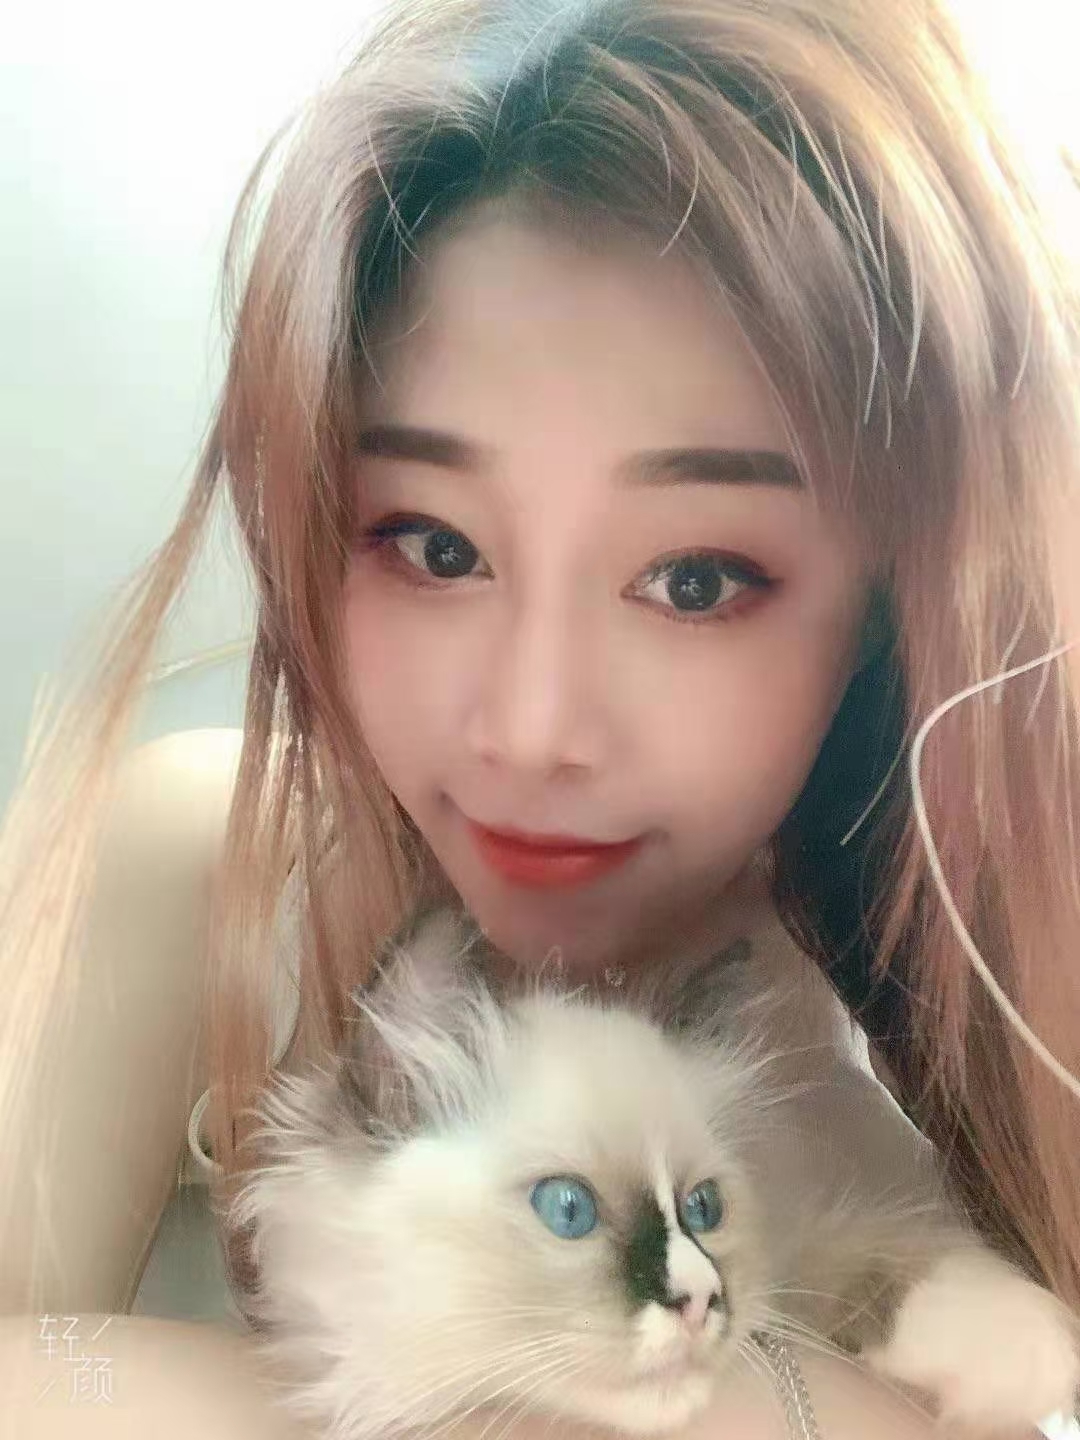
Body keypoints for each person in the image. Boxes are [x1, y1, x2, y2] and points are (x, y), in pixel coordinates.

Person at [2, 0, 1078, 1434]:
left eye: (696, 580)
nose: (530, 728)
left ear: (890, 606)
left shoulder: (906, 1062)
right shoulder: (196, 857)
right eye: (437, 546)